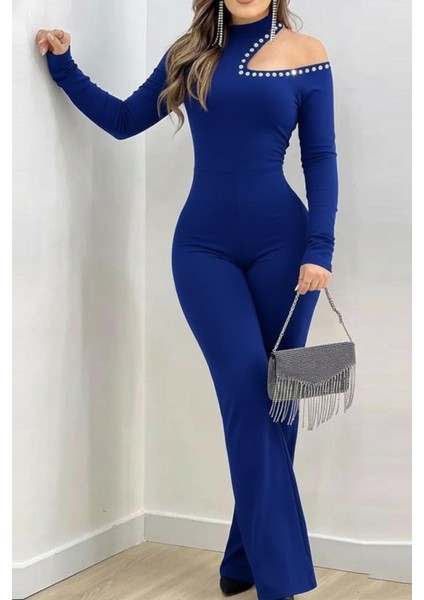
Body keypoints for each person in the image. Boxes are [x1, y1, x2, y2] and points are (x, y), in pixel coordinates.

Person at [36, 1, 338, 598]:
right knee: (248, 393)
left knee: (280, 400)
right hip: (203, 250)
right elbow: (124, 120)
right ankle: (281, 581)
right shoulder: (191, 52)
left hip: (289, 251)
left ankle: (244, 560)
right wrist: (65, 67)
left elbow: (320, 157)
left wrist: (320, 249)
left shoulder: (309, 54)